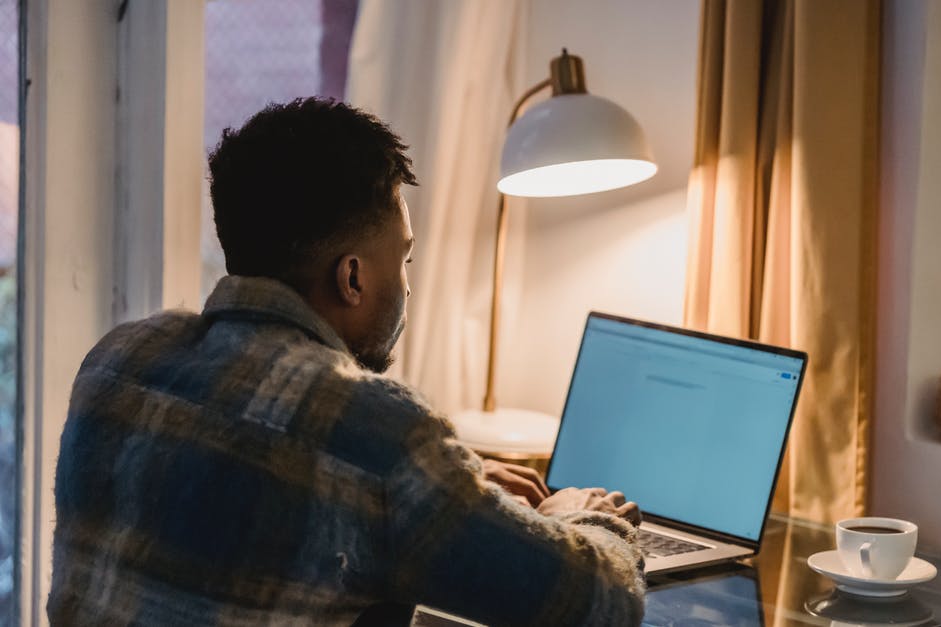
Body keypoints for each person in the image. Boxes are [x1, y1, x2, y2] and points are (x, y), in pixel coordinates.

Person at [48, 98, 645, 626]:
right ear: (352, 276)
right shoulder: (377, 439)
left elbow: (248, 477)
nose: (408, 285)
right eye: (404, 259)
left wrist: (445, 489)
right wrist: (577, 518)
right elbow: (602, 604)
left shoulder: (119, 359)